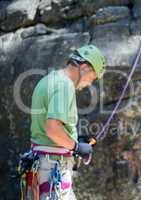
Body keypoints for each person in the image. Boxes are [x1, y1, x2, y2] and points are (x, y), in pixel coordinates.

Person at [27, 44, 106, 199]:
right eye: (93, 78)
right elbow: (52, 129)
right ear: (85, 67)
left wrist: (75, 140)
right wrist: (77, 147)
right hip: (52, 169)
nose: (89, 84)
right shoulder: (65, 85)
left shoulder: (48, 80)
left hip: (41, 167)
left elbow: (47, 127)